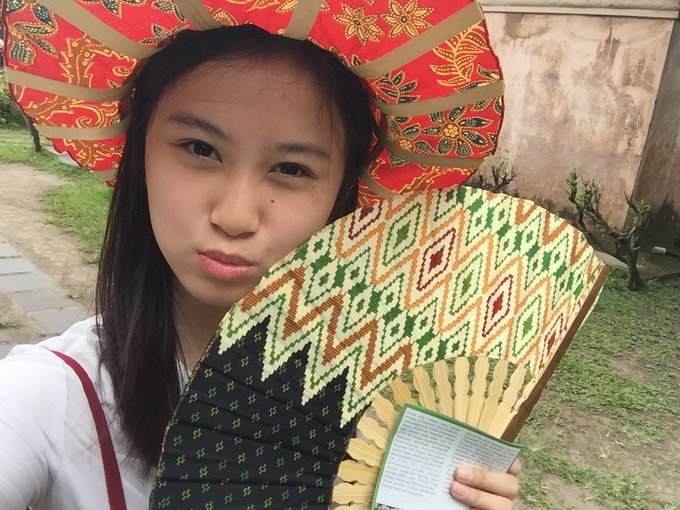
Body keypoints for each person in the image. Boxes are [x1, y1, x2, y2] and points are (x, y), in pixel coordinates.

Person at [0, 25, 519, 510]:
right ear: (140, 155)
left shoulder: (397, 406)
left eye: (291, 168)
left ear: (343, 193)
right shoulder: (47, 397)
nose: (235, 216)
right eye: (200, 148)